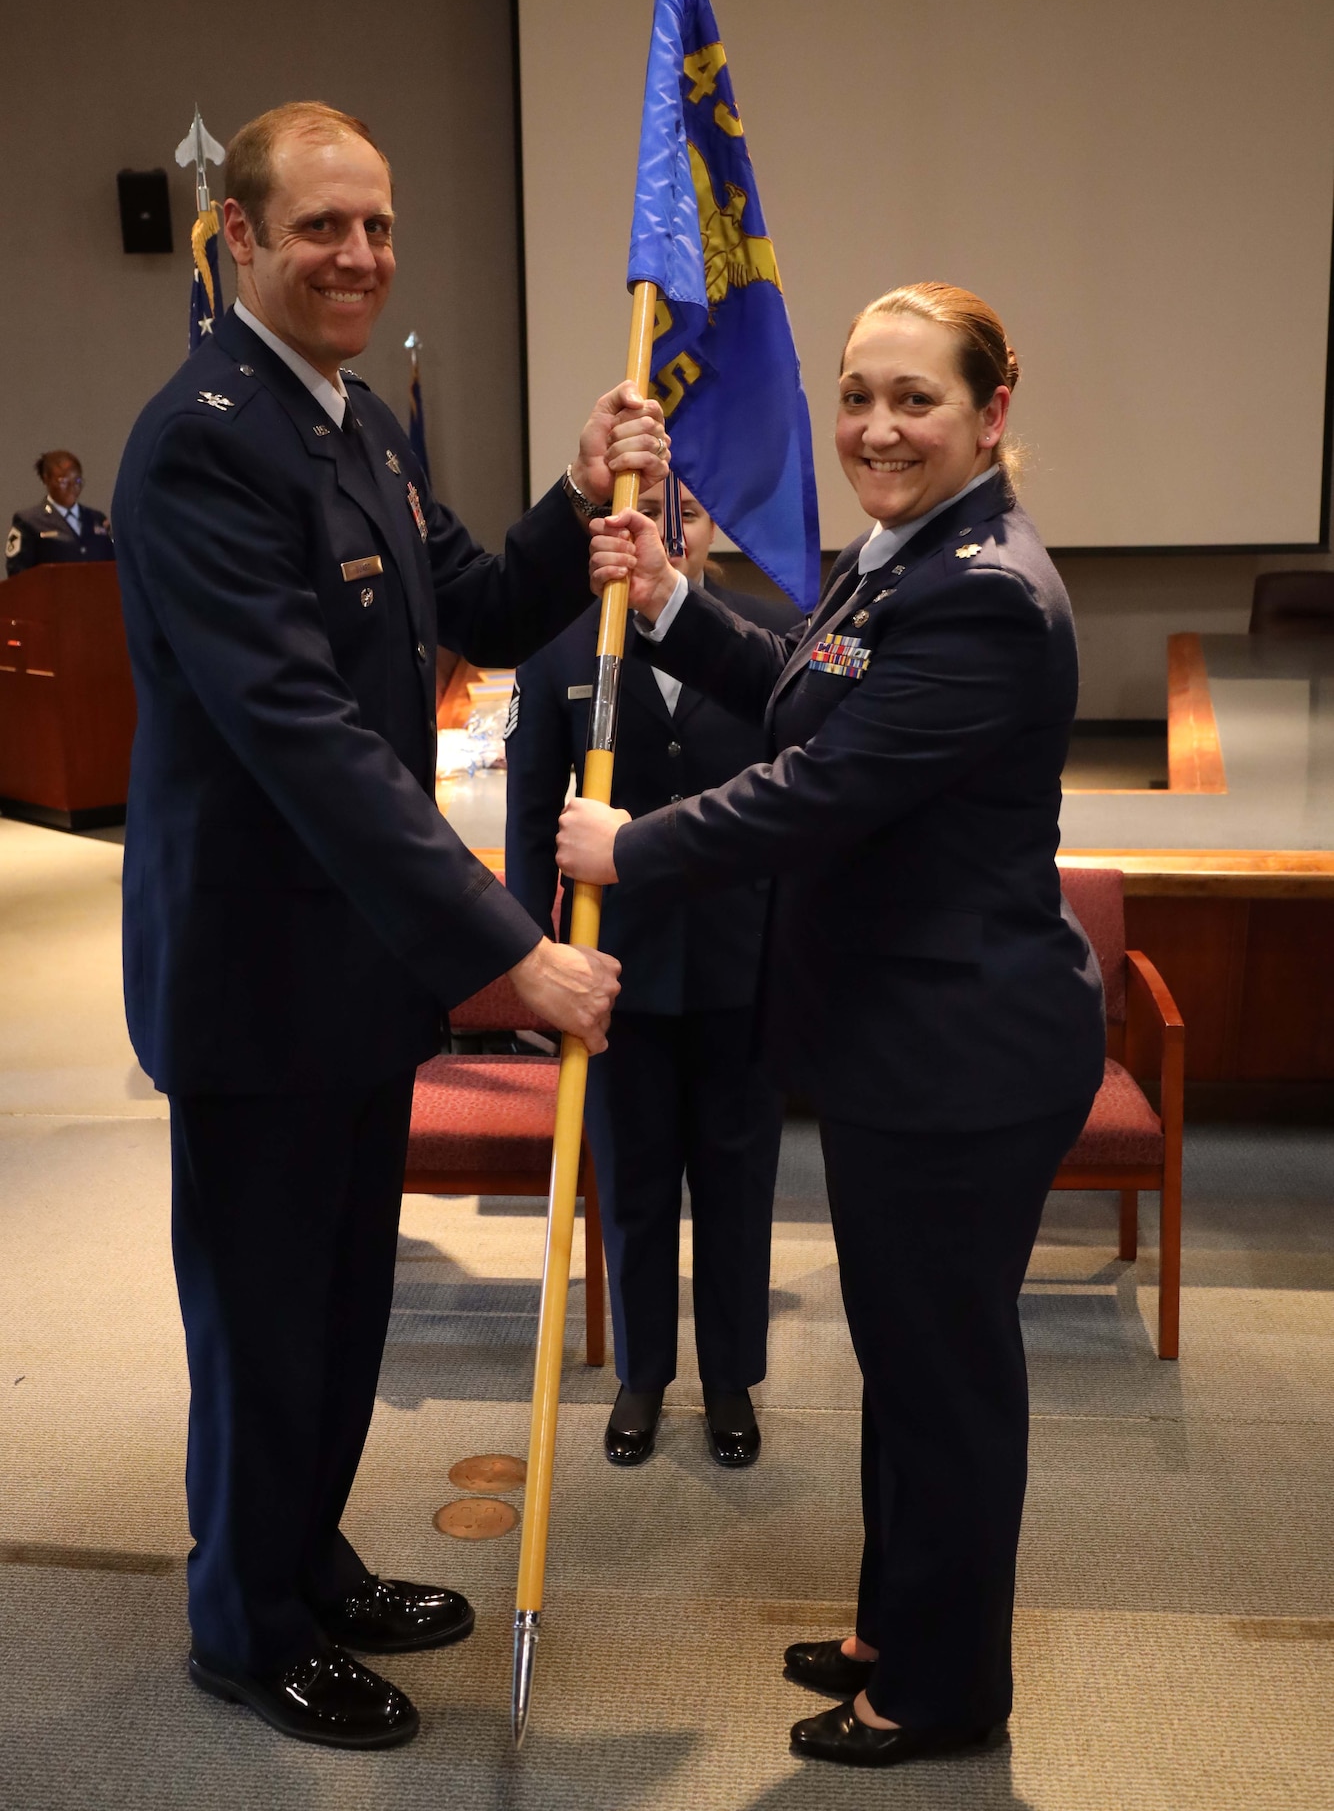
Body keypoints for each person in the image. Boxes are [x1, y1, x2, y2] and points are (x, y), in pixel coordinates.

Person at [111, 100, 669, 1752]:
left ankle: (307, 1556)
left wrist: (575, 503)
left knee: (341, 1307)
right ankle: (245, 1623)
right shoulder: (205, 440)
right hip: (253, 978)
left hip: (344, 972)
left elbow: (476, 614)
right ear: (237, 241)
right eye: (319, 228)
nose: (357, 254)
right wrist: (507, 953)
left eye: (377, 226)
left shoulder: (352, 427)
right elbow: (307, 744)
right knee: (265, 1315)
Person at [558, 283, 1106, 1771]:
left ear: (990, 412)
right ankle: (895, 1624)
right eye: (857, 393)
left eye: (913, 399)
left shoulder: (985, 588)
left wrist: (635, 846)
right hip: (900, 1046)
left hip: (959, 1056)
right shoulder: (903, 560)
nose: (873, 425)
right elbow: (810, 697)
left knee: (942, 1381)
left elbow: (819, 792)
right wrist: (675, 609)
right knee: (906, 1364)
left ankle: (941, 1692)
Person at [505, 480, 799, 1472]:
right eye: (655, 504)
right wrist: (526, 957)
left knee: (734, 1177)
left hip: (740, 959)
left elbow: (801, 809)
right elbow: (528, 822)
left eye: (694, 507)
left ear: (716, 525)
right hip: (612, 967)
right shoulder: (560, 645)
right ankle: (640, 1371)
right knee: (629, 1182)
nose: (673, 523)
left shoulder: (770, 636)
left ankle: (728, 1376)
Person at [5, 450, 115, 575]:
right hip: (51, 593)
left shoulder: (96, 519)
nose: (72, 487)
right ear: (47, 479)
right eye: (63, 482)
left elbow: (112, 564)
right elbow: (18, 573)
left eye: (77, 481)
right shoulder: (29, 521)